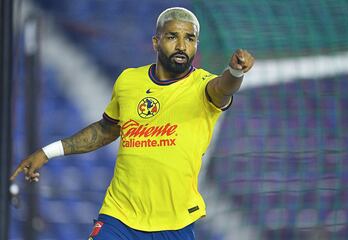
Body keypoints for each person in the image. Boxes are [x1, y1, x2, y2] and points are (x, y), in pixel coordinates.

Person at [10, 7, 254, 240]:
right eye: (172, 37)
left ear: (196, 45)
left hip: (174, 223)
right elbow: (106, 129)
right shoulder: (128, 80)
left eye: (189, 39)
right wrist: (47, 152)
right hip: (119, 217)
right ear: (156, 42)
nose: (182, 45)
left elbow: (224, 89)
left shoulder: (204, 86)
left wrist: (234, 73)